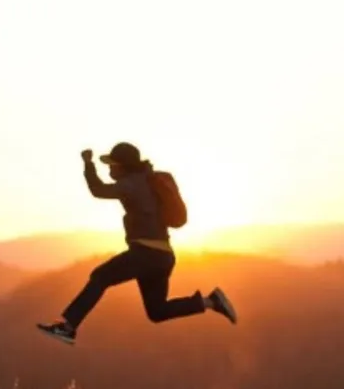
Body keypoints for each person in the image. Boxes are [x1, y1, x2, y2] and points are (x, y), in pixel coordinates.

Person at [37, 142, 237, 345]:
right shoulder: (147, 180)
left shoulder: (130, 183)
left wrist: (88, 164)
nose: (110, 168)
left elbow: (98, 190)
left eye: (112, 165)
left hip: (146, 253)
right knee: (157, 311)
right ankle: (211, 302)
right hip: (163, 256)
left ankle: (67, 327)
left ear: (124, 166)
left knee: (100, 276)